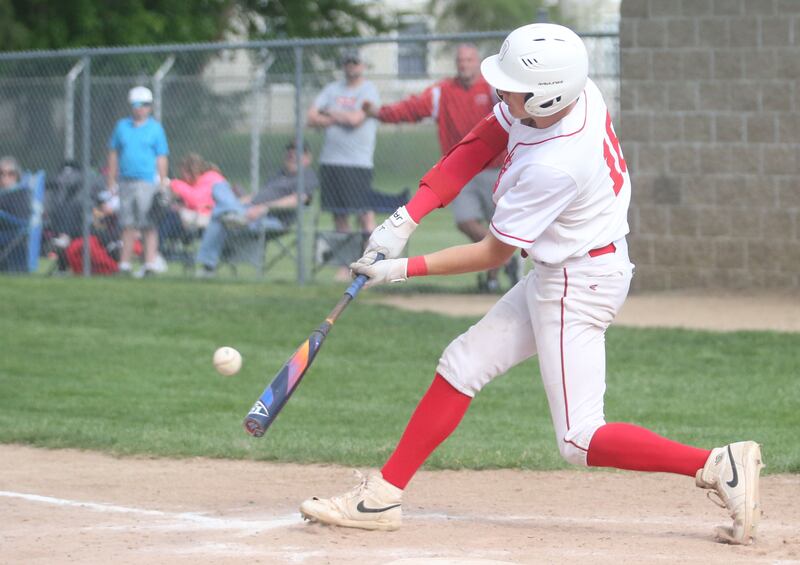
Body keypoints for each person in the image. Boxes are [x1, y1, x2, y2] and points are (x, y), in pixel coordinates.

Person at [299, 24, 764, 545]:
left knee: (579, 438)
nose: (500, 93)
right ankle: (381, 496)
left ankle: (718, 464)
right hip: (573, 268)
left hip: (577, 281)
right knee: (462, 363)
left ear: (548, 95)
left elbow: (493, 252)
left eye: (512, 88)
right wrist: (407, 217)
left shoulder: (557, 164)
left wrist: (399, 269)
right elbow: (480, 142)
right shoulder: (568, 94)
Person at [364, 43, 517, 292]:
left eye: (468, 60)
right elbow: (412, 108)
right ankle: (502, 258)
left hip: (495, 168)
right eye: (460, 61)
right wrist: (380, 113)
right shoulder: (444, 91)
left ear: (476, 62)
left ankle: (492, 277)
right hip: (462, 170)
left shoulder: (492, 90)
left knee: (498, 226)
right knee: (466, 221)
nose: (464, 65)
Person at [306, 48, 380, 280]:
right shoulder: (332, 89)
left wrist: (328, 112)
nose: (351, 66)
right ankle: (346, 264)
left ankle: (372, 262)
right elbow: (311, 117)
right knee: (340, 216)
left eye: (355, 62)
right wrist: (340, 115)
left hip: (357, 164)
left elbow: (356, 120)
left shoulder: (369, 91)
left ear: (362, 65)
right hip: (331, 162)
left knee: (363, 214)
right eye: (347, 62)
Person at [195, 142, 318, 277]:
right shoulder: (278, 174)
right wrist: (235, 203)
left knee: (219, 217)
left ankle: (208, 267)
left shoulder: (307, 176)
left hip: (273, 219)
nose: (291, 157)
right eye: (289, 155)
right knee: (219, 186)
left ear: (307, 158)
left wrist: (264, 208)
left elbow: (298, 199)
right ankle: (233, 212)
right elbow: (256, 196)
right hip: (248, 211)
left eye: (296, 155)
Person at [106, 85, 170, 277]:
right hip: (126, 181)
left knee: (148, 224)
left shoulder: (155, 129)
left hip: (147, 182)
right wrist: (111, 179)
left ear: (149, 107)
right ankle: (124, 264)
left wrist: (162, 181)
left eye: (144, 104)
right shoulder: (122, 127)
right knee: (127, 224)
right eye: (136, 104)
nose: (140, 108)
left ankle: (149, 263)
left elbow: (161, 156)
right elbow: (113, 153)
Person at [0, 155, 30, 272]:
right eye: (1, 173)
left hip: (13, 232)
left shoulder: (20, 193)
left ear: (17, 176)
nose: (5, 177)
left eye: (10, 173)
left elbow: (22, 220)